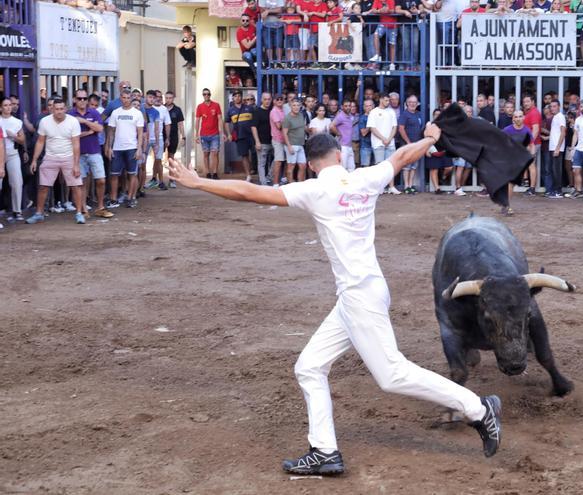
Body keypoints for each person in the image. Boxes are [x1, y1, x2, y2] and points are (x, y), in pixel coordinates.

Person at [166, 127, 502, 476]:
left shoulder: (315, 189)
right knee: (309, 367)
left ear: (311, 164)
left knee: (392, 375)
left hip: (359, 297)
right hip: (363, 292)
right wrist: (431, 138)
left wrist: (200, 182)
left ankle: (478, 409)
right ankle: (324, 451)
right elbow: (402, 155)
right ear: (339, 154)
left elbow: (251, 192)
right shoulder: (365, 178)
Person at [26, 99, 84, 224]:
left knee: (75, 186)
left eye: (61, 109)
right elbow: (40, 141)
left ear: (65, 109)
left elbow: (76, 144)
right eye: (56, 109)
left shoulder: (73, 121)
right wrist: (34, 160)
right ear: (52, 109)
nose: (59, 111)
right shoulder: (44, 122)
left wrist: (76, 164)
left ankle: (79, 213)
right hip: (50, 157)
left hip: (68, 157)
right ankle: (39, 213)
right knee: (43, 186)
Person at [70, 89, 112, 218]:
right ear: (74, 99)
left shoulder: (93, 112)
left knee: (101, 180)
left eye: (84, 98)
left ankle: (100, 207)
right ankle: (83, 209)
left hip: (94, 151)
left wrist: (84, 122)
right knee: (81, 182)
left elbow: (99, 128)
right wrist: (88, 132)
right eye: (79, 98)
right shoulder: (70, 115)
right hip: (78, 153)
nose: (82, 101)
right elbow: (70, 135)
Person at [104, 90, 144, 209]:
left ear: (131, 98)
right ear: (120, 98)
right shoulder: (115, 113)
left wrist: (139, 149)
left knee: (132, 174)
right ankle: (113, 199)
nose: (126, 99)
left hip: (131, 147)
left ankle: (131, 198)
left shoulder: (137, 113)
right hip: (117, 148)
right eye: (124, 97)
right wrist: (109, 147)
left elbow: (140, 133)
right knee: (114, 174)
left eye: (128, 97)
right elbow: (110, 132)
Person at [367, 94, 400, 194]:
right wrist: (383, 139)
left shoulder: (391, 111)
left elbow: (395, 127)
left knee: (391, 166)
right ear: (381, 100)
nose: (388, 102)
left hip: (390, 143)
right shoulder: (373, 112)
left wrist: (389, 139)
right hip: (378, 143)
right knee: (380, 166)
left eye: (388, 100)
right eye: (386, 100)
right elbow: (372, 128)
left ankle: (391, 187)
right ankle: (380, 188)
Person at [1, 98, 25, 222]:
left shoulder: (17, 122)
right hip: (0, 154)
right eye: (5, 105)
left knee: (17, 182)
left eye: (10, 105)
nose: (9, 107)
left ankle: (17, 210)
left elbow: (22, 140)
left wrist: (14, 136)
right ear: (1, 108)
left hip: (12, 154)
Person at [225, 89, 255, 182]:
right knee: (244, 155)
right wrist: (229, 134)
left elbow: (255, 121)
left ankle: (256, 171)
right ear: (233, 98)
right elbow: (226, 122)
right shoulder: (230, 110)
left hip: (252, 136)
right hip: (240, 136)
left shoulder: (249, 108)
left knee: (255, 154)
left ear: (242, 97)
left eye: (239, 96)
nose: (237, 97)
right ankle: (248, 175)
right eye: (235, 96)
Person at [397, 95, 424, 193]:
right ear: (407, 103)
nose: (413, 104)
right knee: (407, 166)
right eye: (410, 102)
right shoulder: (405, 114)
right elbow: (401, 128)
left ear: (417, 104)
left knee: (414, 166)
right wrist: (408, 142)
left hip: (417, 144)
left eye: (415, 102)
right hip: (407, 144)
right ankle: (406, 186)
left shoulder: (419, 114)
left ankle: (411, 185)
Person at [146, 91, 172, 190]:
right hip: (147, 138)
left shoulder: (164, 109)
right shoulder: (145, 108)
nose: (157, 99)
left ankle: (160, 181)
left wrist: (167, 138)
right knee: (144, 162)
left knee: (158, 160)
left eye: (160, 97)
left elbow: (167, 124)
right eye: (155, 97)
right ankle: (149, 181)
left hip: (159, 137)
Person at [196, 88, 223, 179]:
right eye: (204, 94)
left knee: (215, 153)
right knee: (206, 154)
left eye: (208, 94)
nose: (206, 96)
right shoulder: (200, 106)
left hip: (215, 134)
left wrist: (222, 132)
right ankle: (207, 172)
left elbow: (220, 119)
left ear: (210, 95)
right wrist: (196, 135)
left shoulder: (216, 105)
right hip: (204, 134)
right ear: (203, 95)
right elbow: (197, 120)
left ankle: (215, 173)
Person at [543, 100, 566, 199]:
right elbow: (556, 133)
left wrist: (557, 148)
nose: (552, 108)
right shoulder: (555, 117)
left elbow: (563, 132)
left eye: (554, 106)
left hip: (557, 148)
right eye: (551, 106)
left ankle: (558, 191)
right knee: (553, 169)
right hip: (553, 147)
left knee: (556, 170)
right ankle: (556, 190)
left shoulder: (560, 117)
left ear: (559, 106)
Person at [283, 99, 309, 184]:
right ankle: (290, 185)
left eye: (298, 105)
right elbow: (284, 133)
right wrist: (289, 146)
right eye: (294, 105)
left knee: (303, 165)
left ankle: (300, 184)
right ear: (290, 106)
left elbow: (303, 127)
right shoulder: (287, 118)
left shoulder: (301, 115)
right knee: (291, 166)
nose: (296, 107)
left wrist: (310, 130)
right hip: (292, 145)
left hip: (300, 144)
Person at [252, 92, 274, 186]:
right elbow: (253, 127)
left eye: (269, 99)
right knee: (261, 164)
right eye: (265, 99)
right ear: (261, 100)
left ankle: (268, 178)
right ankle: (263, 183)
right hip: (262, 142)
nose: (267, 101)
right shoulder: (257, 111)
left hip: (273, 141)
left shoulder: (273, 111)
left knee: (278, 159)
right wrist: (257, 141)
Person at [164, 91, 185, 188]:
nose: (168, 100)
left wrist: (183, 136)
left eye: (170, 98)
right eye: (167, 98)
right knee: (158, 158)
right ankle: (157, 180)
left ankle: (172, 179)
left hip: (173, 136)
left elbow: (180, 124)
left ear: (173, 98)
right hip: (162, 136)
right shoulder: (162, 108)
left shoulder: (177, 110)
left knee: (171, 157)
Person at [521, 94, 541, 195]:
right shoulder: (528, 112)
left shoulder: (534, 113)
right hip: (529, 143)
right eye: (524, 102)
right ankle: (528, 184)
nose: (526, 104)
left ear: (533, 102)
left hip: (532, 144)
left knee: (531, 165)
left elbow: (536, 130)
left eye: (528, 101)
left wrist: (530, 143)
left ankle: (532, 188)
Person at [331, 99, 358, 172]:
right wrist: (338, 133)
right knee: (342, 168)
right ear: (342, 107)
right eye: (346, 106)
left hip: (349, 146)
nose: (348, 107)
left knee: (351, 168)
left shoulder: (349, 116)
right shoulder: (340, 116)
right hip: (342, 146)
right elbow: (331, 126)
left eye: (349, 106)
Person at [359, 99, 375, 167]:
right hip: (366, 146)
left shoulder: (377, 117)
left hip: (376, 145)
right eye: (366, 106)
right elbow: (363, 133)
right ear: (364, 107)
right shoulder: (362, 118)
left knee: (376, 168)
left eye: (370, 105)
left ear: (374, 106)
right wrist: (370, 123)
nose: (368, 108)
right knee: (366, 168)